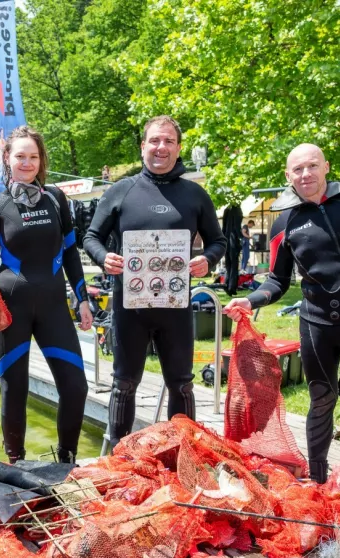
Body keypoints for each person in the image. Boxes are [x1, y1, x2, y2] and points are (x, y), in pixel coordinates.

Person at [223, 143, 340, 523]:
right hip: (317, 327)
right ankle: (319, 481)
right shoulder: (284, 221)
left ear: (327, 166)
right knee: (321, 401)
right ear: (287, 175)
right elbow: (276, 281)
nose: (306, 174)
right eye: (298, 169)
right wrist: (251, 301)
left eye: (312, 166)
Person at [83, 115, 226, 448]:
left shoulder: (194, 194)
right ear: (143, 146)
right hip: (129, 306)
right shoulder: (122, 190)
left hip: (174, 306)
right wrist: (104, 258)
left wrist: (208, 259)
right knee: (124, 383)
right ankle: (119, 456)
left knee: (181, 384)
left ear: (178, 148)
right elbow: (92, 237)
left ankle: (185, 452)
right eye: (154, 141)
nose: (161, 147)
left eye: (169, 141)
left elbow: (218, 241)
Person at [0, 126, 93, 464]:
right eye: (20, 156)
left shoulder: (56, 199)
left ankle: (66, 460)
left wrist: (82, 297)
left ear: (41, 160)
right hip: (9, 311)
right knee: (15, 389)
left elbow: (71, 252)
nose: (27, 162)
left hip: (54, 308)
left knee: (75, 387)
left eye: (33, 156)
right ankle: (18, 462)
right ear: (7, 159)